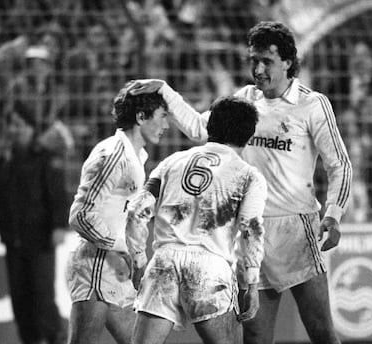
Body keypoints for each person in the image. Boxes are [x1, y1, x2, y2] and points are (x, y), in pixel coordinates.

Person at [126, 20, 352, 344]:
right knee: (255, 337)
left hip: (296, 229)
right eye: (253, 61)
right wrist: (164, 90)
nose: (258, 69)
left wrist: (334, 214)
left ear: (288, 62)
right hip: (250, 231)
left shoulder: (312, 104)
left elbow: (339, 164)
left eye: (267, 62)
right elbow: (200, 129)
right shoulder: (245, 101)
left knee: (321, 332)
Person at [125, 96, 267, 344]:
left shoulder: (171, 162)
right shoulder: (249, 176)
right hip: (210, 268)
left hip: (164, 263)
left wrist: (138, 260)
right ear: (249, 135)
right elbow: (250, 231)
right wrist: (250, 283)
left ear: (210, 126)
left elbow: (136, 210)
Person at [66, 84, 169, 344]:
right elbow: (80, 215)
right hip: (97, 266)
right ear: (141, 117)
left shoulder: (135, 156)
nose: (166, 126)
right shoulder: (113, 154)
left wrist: (135, 257)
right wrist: (119, 248)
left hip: (116, 269)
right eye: (162, 116)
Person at [0, 102, 69, 344]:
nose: (15, 130)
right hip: (14, 241)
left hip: (40, 241)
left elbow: (57, 194)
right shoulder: (3, 162)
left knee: (43, 299)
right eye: (11, 125)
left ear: (30, 127)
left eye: (19, 124)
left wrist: (58, 225)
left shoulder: (45, 159)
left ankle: (55, 338)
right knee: (21, 303)